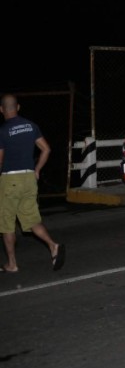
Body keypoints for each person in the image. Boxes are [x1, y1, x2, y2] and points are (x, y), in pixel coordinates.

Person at [0, 94, 65, 273]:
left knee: (6, 223)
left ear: (1, 110)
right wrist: (37, 169)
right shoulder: (31, 125)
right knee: (31, 220)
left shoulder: (3, 130)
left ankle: (12, 263)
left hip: (10, 180)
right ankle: (53, 246)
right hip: (29, 178)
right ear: (18, 107)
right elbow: (46, 149)